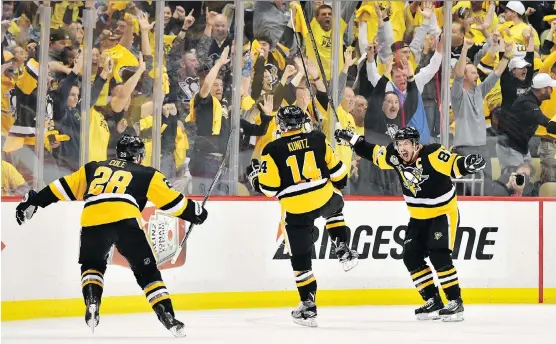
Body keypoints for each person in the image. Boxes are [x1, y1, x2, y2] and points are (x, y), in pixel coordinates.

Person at [14, 134, 208, 337]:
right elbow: (174, 203)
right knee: (147, 273)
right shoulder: (146, 173)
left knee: (92, 265)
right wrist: (196, 213)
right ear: (139, 156)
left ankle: (92, 303)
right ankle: (168, 317)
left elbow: (59, 188)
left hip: (92, 220)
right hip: (126, 221)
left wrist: (35, 202)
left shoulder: (93, 167)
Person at [334, 126, 487, 322]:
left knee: (439, 256)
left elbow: (455, 165)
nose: (401, 148)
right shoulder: (395, 155)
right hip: (417, 216)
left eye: (405, 144)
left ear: (416, 144)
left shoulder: (433, 153)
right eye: (398, 144)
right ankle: (433, 299)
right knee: (411, 257)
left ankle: (455, 302)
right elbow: (374, 154)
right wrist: (353, 139)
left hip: (442, 214)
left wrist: (469, 163)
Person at [246, 105, 358, 327]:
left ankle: (308, 305)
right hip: (323, 197)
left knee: (301, 260)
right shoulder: (317, 138)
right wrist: (337, 183)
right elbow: (339, 173)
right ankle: (341, 245)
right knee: (335, 206)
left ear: (281, 125)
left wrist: (255, 178)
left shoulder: (272, 149)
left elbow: (269, 189)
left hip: (296, 208)